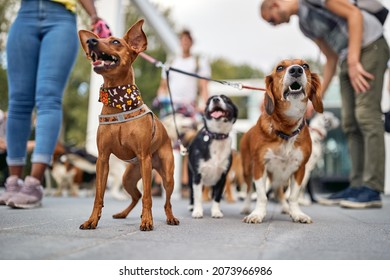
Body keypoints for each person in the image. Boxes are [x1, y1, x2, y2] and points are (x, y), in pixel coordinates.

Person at [260, 0, 389, 208]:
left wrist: (355, 61)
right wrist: (315, 96)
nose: (275, 25)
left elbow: (354, 15)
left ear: (274, 5)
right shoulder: (304, 24)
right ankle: (357, 186)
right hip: (347, 58)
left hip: (369, 46)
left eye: (271, 20)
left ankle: (372, 188)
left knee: (366, 115)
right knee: (349, 121)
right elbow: (330, 57)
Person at [0, 0, 102, 209]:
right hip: (25, 13)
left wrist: (94, 16)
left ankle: (34, 183)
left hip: (61, 17)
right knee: (19, 100)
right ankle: (13, 182)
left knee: (48, 97)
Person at [153, 29, 211, 197]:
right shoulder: (171, 61)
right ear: (180, 42)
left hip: (189, 107)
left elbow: (204, 86)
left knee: (191, 140)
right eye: (182, 39)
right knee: (162, 141)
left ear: (191, 42)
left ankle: (186, 182)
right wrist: (160, 98)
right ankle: (159, 182)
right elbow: (163, 85)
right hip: (170, 107)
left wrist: (205, 105)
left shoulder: (199, 62)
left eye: (188, 40)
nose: (185, 42)